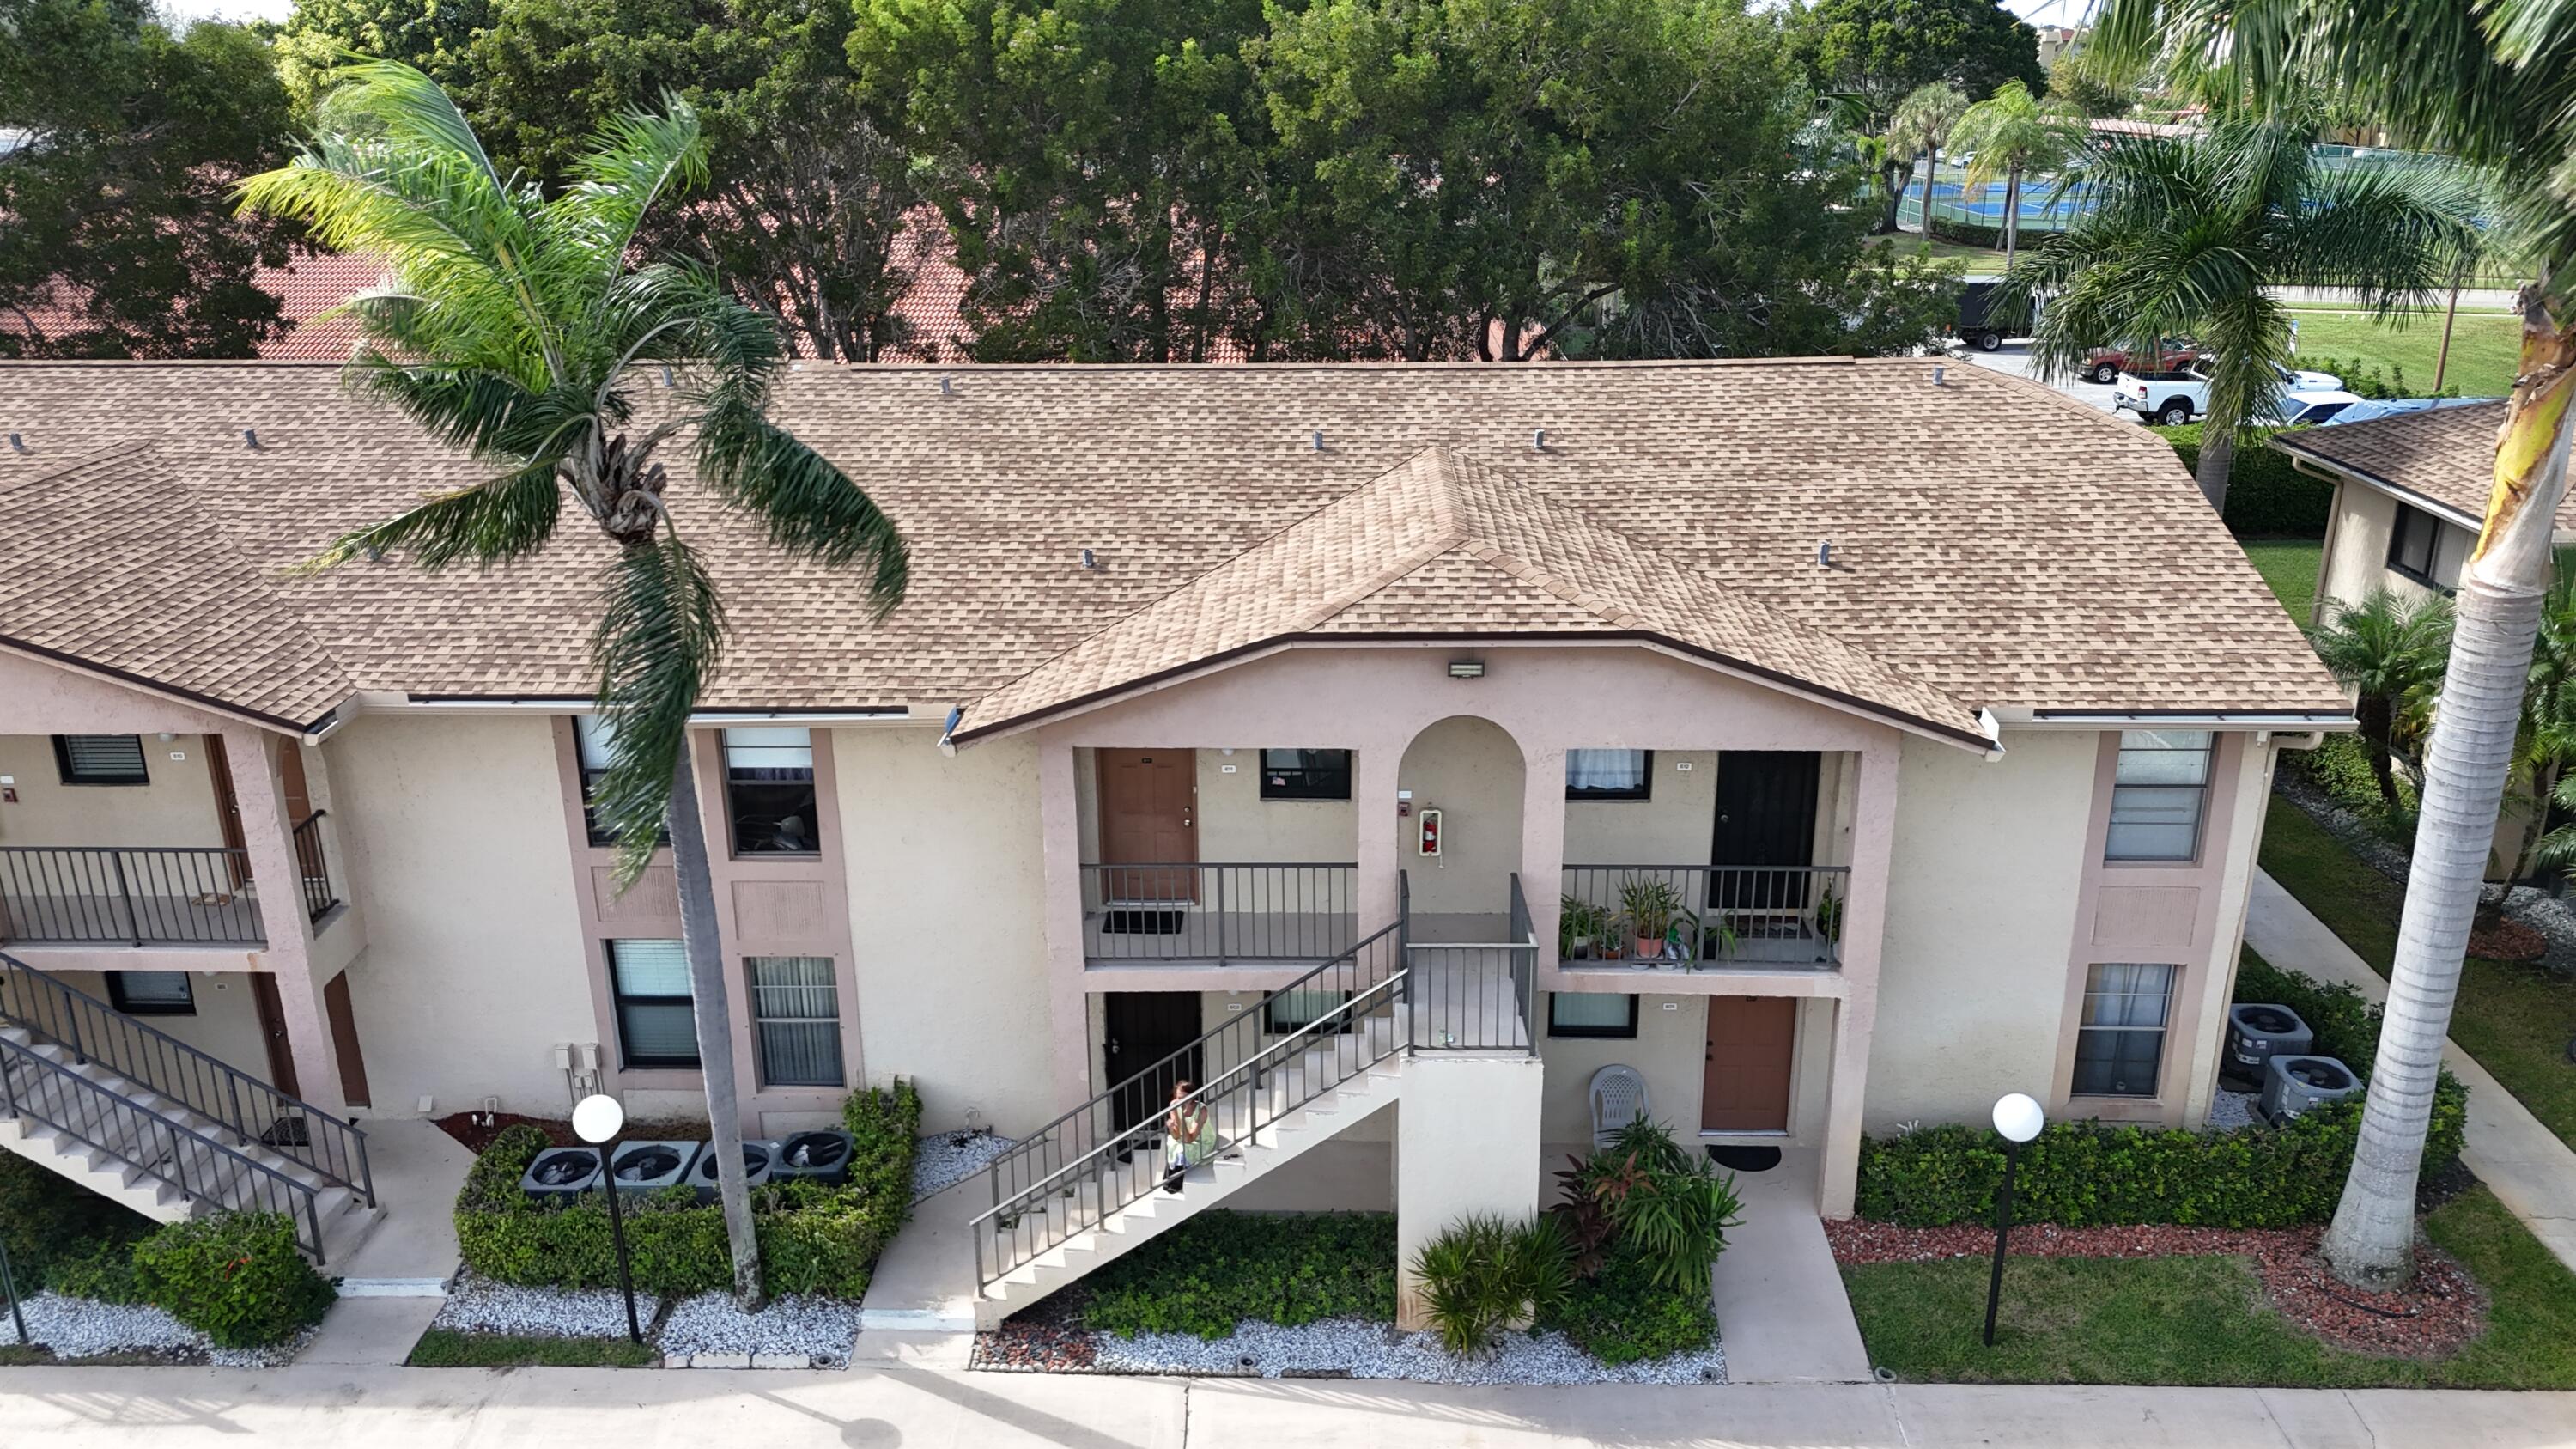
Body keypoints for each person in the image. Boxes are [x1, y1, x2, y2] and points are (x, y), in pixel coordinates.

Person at [1163, 1079, 1209, 1194]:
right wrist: (1171, 1128)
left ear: (1192, 1096)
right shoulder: (1174, 1104)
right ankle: (1168, 1179)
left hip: (1199, 1139)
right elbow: (1176, 1135)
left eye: (1184, 1098)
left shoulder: (1201, 1110)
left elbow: (1190, 1139)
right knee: (1174, 1146)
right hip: (1183, 1137)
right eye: (1178, 1097)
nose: (1180, 1101)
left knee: (1182, 1149)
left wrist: (1182, 1117)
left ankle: (1176, 1183)